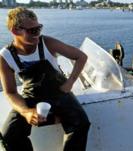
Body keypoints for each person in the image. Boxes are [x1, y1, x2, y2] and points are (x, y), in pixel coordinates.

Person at [0, 7, 90, 151]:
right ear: (15, 31)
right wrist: (26, 112)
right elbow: (10, 92)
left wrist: (70, 82)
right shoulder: (5, 56)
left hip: (59, 91)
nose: (37, 35)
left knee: (81, 124)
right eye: (32, 31)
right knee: (9, 135)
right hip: (32, 95)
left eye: (39, 29)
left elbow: (81, 56)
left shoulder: (47, 43)